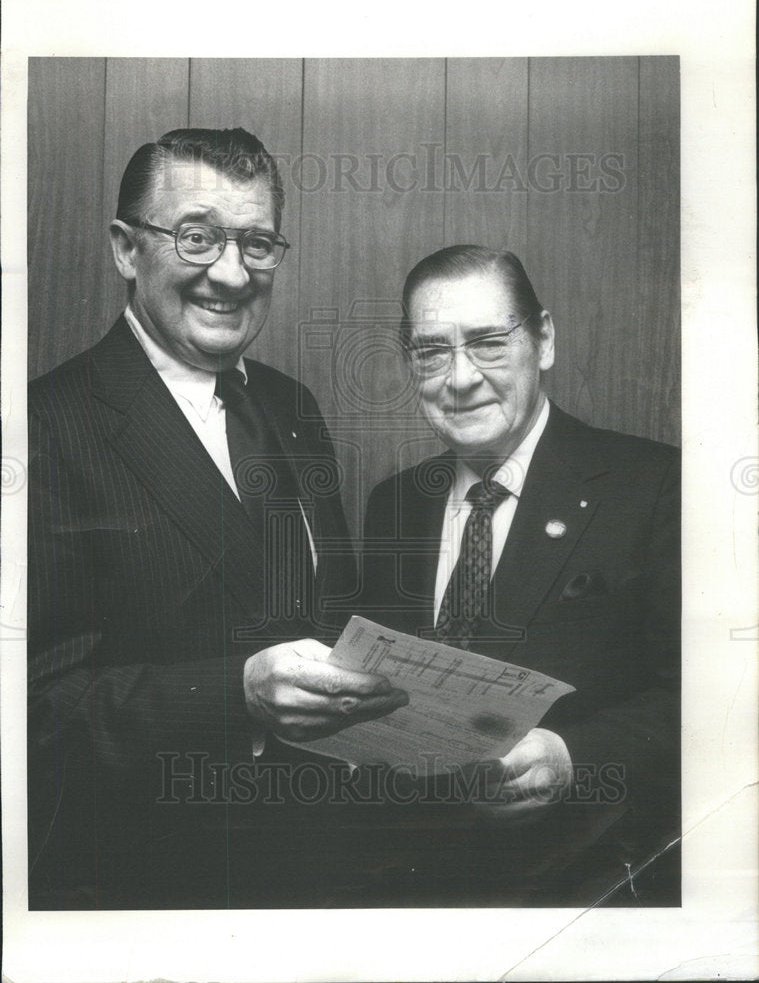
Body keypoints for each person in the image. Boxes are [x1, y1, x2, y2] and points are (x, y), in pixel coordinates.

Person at [27, 128, 407, 910]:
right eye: (197, 237)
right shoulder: (42, 428)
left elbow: (324, 623)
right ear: (126, 249)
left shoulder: (290, 406)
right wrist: (232, 694)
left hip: (325, 869)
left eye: (257, 243)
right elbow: (28, 713)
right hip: (147, 893)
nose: (231, 275)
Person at [360, 245, 680, 905]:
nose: (459, 378)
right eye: (431, 351)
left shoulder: (654, 487)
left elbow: (712, 704)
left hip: (584, 891)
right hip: (408, 889)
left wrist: (574, 760)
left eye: (486, 343)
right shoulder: (393, 503)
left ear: (543, 339)